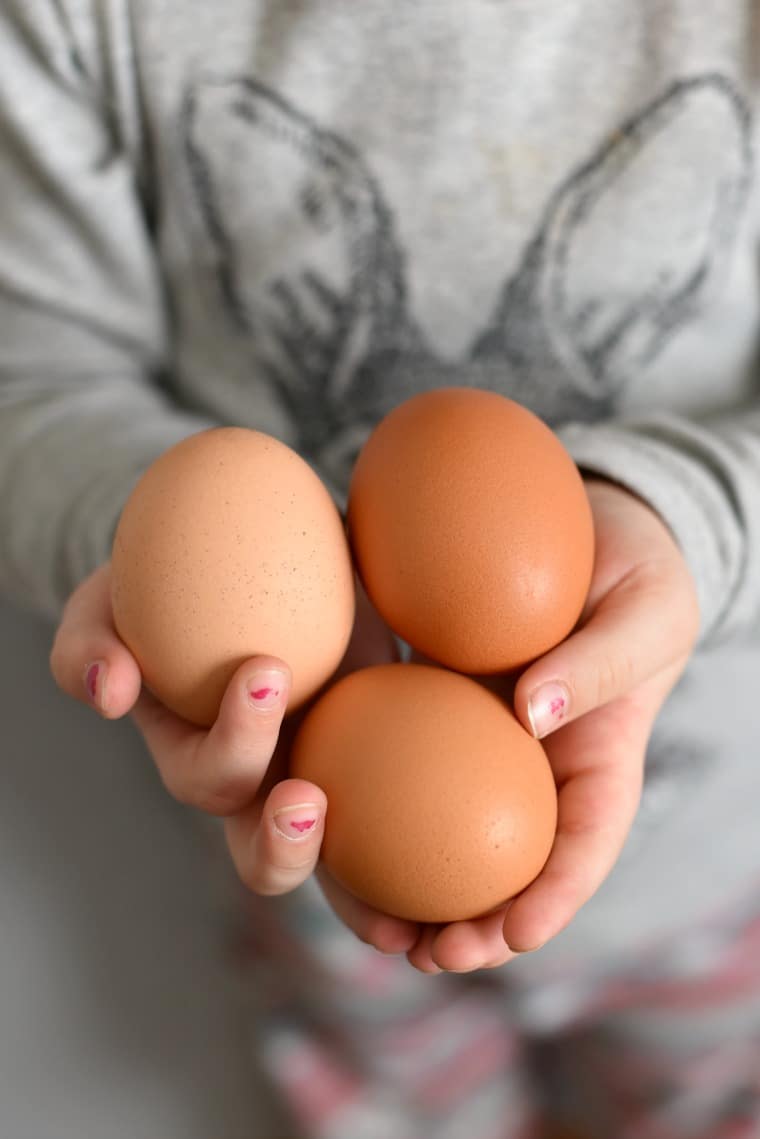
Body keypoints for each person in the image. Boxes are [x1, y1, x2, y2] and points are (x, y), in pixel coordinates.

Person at [1, 2, 759, 1136]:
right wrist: (167, 556)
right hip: (313, 841)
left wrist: (682, 519)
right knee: (391, 1103)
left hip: (715, 877)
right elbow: (33, 377)